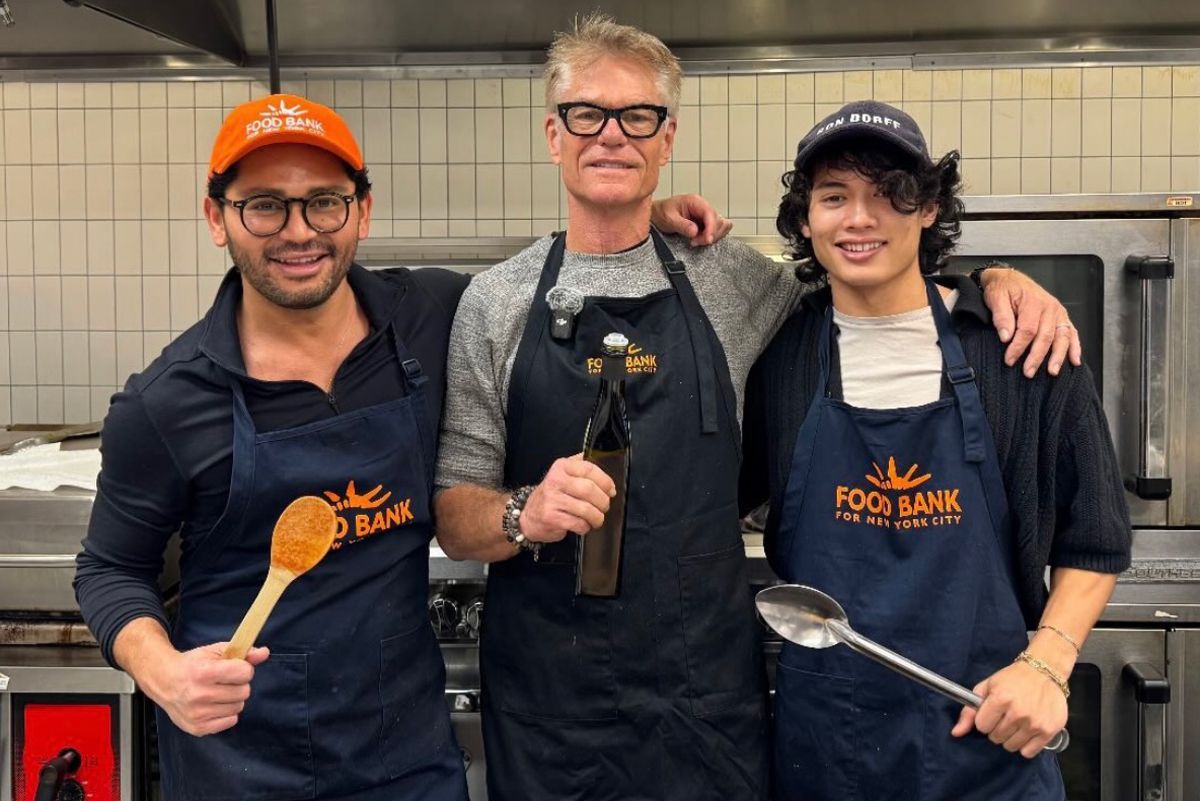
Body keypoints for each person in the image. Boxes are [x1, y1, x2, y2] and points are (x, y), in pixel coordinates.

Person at [432, 15, 1079, 801]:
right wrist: (524, 512)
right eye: (587, 114)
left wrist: (996, 282)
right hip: (548, 703)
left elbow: (876, 275)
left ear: (666, 139)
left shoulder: (735, 281)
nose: (611, 135)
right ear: (553, 134)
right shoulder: (494, 302)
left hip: (706, 698)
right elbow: (455, 514)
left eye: (637, 117)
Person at [72, 94, 472, 801]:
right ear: (216, 217)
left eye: (324, 202)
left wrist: (648, 219)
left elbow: (555, 282)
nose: (299, 232)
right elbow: (109, 568)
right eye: (264, 205)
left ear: (363, 210)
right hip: (239, 764)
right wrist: (162, 671)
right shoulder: (165, 401)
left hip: (404, 759)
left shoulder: (431, 316)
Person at [739, 101, 1132, 801]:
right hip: (828, 750)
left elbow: (1097, 537)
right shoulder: (779, 358)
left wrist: (1047, 665)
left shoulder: (1018, 349)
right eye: (835, 196)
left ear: (928, 210)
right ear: (805, 220)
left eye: (892, 194)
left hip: (987, 737)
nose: (861, 219)